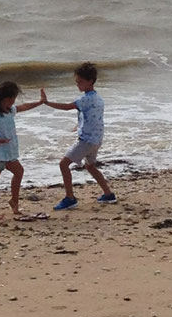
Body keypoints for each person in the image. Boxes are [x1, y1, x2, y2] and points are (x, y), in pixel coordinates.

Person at [42, 62, 117, 210]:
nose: (78, 85)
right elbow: (92, 117)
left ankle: (70, 198)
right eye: (77, 82)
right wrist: (79, 125)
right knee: (90, 166)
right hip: (96, 139)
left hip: (87, 141)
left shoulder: (85, 99)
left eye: (80, 82)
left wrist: (47, 103)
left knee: (63, 164)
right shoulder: (98, 98)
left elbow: (67, 107)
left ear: (90, 81)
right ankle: (108, 194)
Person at [0, 81, 45, 221]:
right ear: (4, 99)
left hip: (8, 154)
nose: (14, 102)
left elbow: (23, 107)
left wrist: (40, 102)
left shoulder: (9, 110)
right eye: (12, 99)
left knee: (19, 172)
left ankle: (14, 201)